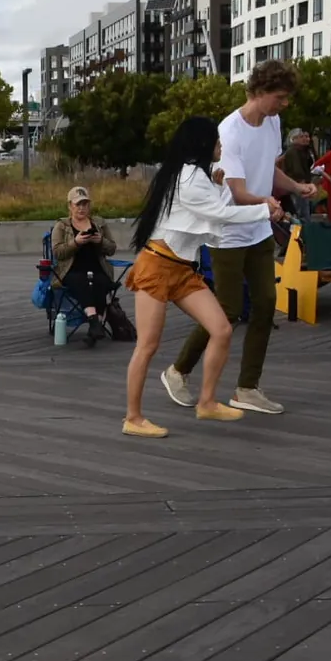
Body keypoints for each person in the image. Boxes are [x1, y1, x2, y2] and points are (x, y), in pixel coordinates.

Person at [161, 59, 315, 416]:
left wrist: (296, 187)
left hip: (258, 228)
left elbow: (269, 172)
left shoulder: (273, 122)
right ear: (259, 92)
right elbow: (240, 191)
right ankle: (177, 370)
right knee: (227, 313)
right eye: (279, 97)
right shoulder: (230, 131)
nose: (284, 104)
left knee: (264, 305)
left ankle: (247, 388)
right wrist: (267, 204)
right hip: (228, 231)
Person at [123, 117, 283, 438]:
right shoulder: (188, 178)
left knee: (222, 328)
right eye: (216, 142)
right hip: (156, 267)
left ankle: (207, 402)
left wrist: (218, 184)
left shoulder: (194, 175)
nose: (221, 147)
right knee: (148, 345)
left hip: (182, 270)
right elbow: (219, 215)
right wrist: (264, 208)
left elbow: (206, 213)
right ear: (202, 144)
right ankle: (133, 418)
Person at [49, 186, 117, 341]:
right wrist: (76, 243)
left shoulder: (99, 223)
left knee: (100, 282)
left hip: (98, 268)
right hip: (71, 270)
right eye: (78, 204)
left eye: (85, 204)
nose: (81, 208)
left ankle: (95, 327)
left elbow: (112, 248)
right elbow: (57, 253)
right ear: (70, 206)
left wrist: (100, 241)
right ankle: (95, 322)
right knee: (81, 281)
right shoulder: (62, 225)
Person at [279, 128, 316, 220]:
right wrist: (302, 183)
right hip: (297, 184)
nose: (304, 139)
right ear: (293, 139)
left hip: (299, 183)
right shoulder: (293, 151)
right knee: (299, 212)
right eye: (301, 137)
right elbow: (297, 170)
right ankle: (299, 232)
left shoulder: (302, 151)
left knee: (302, 212)